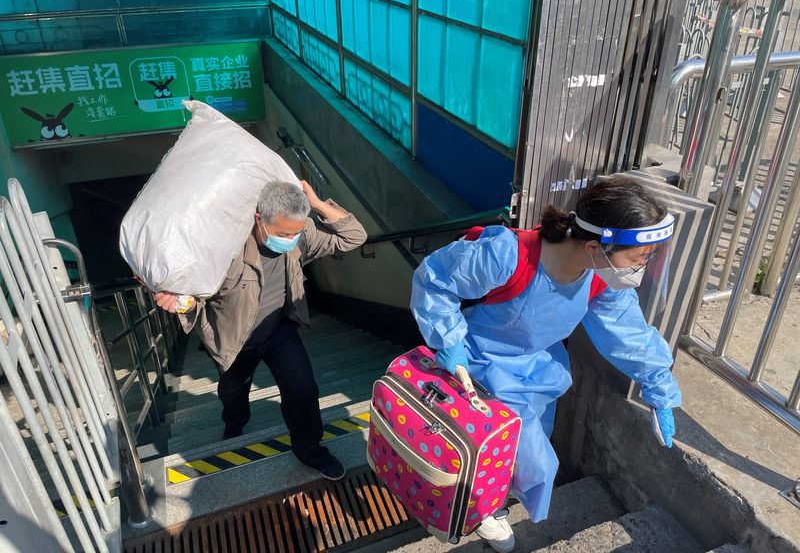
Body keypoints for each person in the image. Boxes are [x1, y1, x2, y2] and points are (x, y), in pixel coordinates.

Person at [409, 176, 681, 552]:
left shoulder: (600, 278)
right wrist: (448, 340)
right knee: (531, 461)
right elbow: (435, 280)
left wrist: (658, 384)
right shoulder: (508, 255)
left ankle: (492, 500)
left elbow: (628, 333)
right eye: (638, 258)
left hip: (537, 374)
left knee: (512, 455)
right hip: (479, 370)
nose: (641, 268)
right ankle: (483, 511)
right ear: (593, 246)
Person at [155, 180, 367, 481]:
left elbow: (354, 236)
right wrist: (179, 303)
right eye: (282, 234)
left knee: (304, 390)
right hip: (234, 338)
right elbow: (194, 295)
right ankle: (235, 422)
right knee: (232, 390)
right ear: (259, 219)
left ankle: (310, 450)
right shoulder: (224, 249)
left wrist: (318, 205)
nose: (291, 240)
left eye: (296, 232)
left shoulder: (300, 233)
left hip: (279, 330)